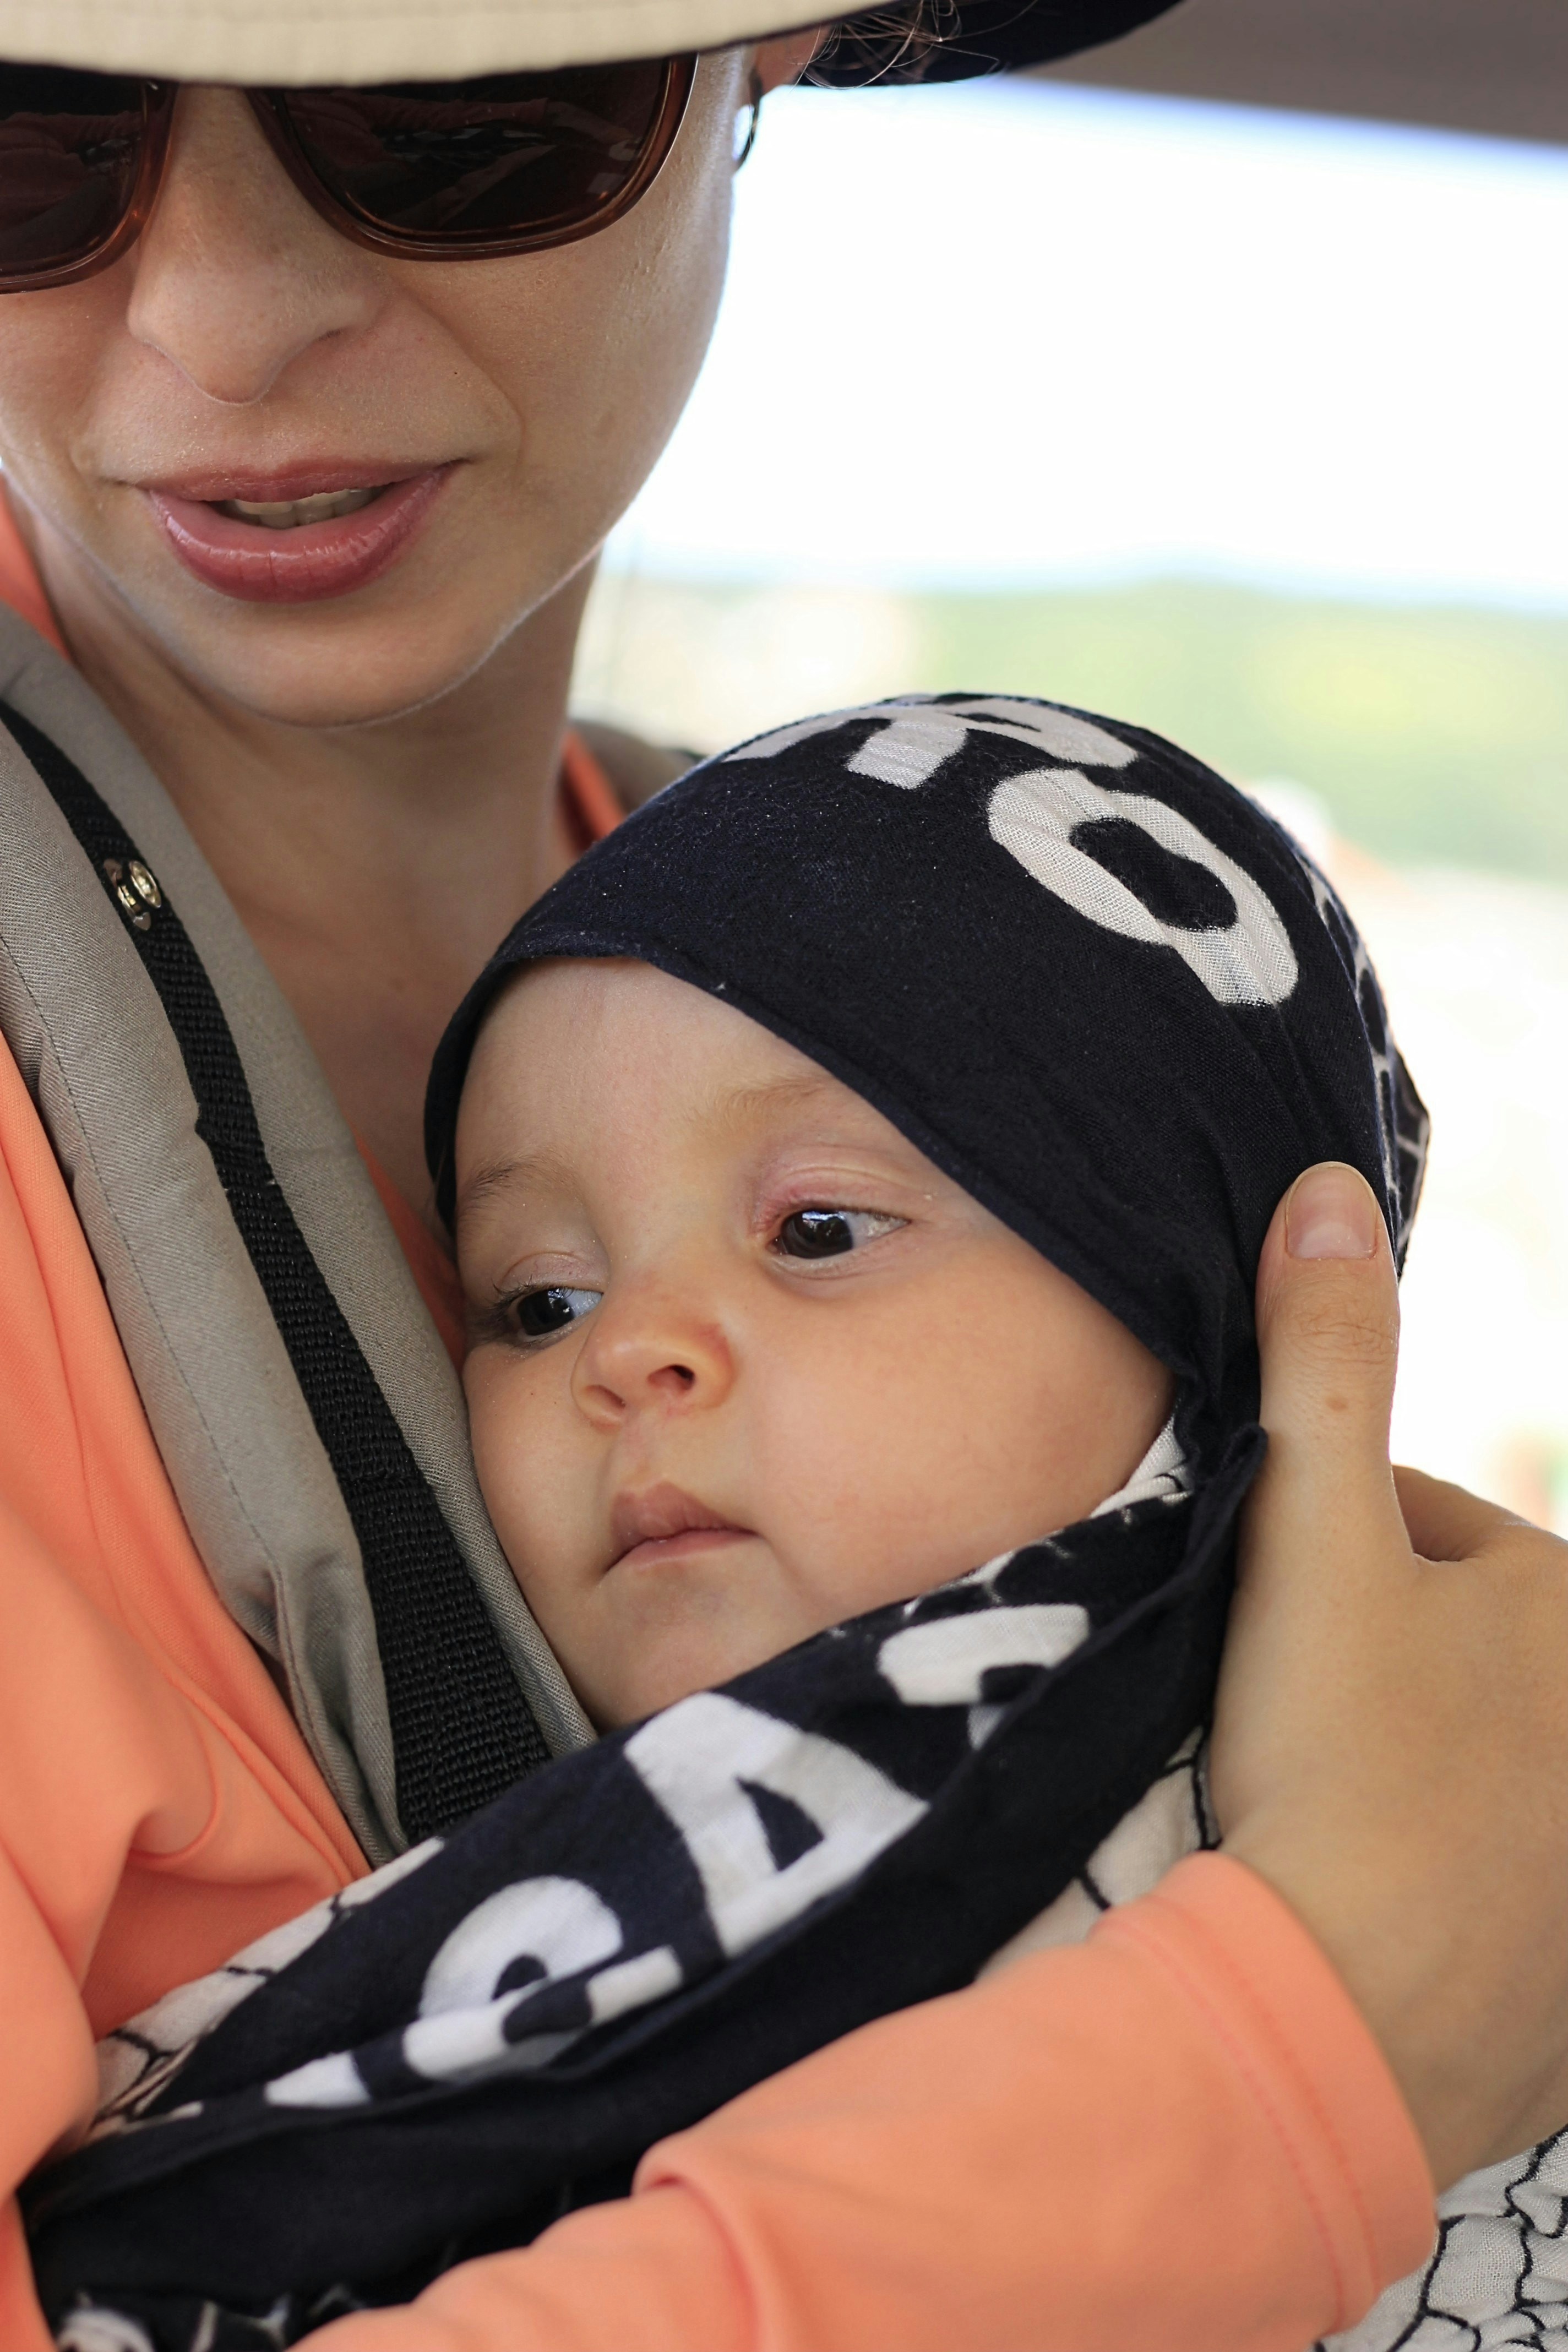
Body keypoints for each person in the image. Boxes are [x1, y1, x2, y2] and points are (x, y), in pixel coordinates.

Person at [0, 5, 1565, 2348]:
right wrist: (1328, 2039)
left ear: (771, 47)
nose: (227, 314)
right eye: (28, 134)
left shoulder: (869, 951)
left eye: (445, 115)